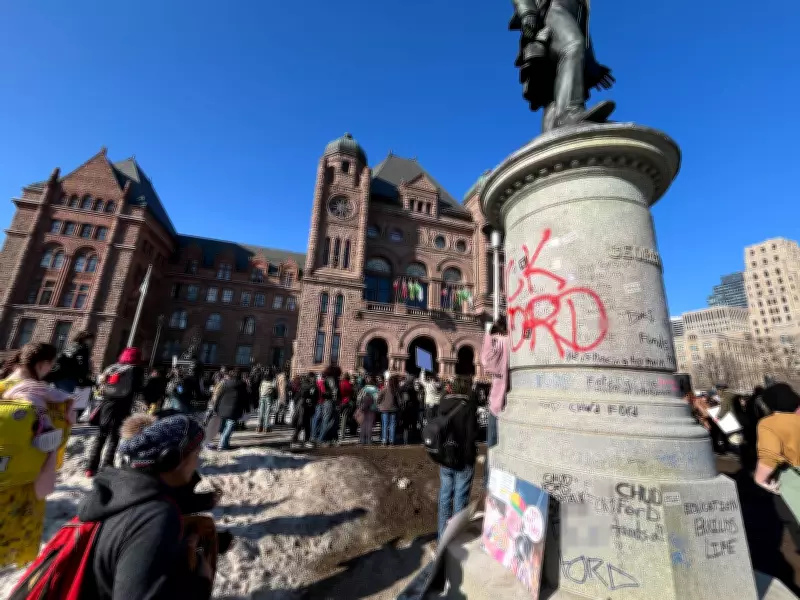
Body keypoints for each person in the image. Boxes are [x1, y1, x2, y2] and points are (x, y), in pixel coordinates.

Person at [77, 414, 214, 599]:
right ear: (171, 460)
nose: (197, 462)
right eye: (196, 454)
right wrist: (201, 583)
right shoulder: (156, 517)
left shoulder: (119, 490)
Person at [0, 343, 74, 568]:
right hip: (23, 485)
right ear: (42, 364)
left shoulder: (2, 385)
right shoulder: (48, 398)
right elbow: (56, 441)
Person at [754, 383, 800, 552]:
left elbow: (770, 455)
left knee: (794, 523)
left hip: (791, 481)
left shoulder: (769, 424)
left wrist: (760, 479)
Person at [87, 347, 145, 477]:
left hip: (106, 405)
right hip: (123, 406)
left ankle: (90, 467)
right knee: (114, 437)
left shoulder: (112, 368)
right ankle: (106, 466)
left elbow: (100, 385)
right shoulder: (136, 371)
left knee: (100, 436)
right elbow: (139, 389)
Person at [437, 378, 478, 540]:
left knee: (445, 497)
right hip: (463, 459)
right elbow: (472, 434)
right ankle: (454, 540)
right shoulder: (468, 406)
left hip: (445, 457)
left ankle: (442, 538)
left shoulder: (443, 404)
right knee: (460, 501)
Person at [480, 316, 509, 488]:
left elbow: (486, 362)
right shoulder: (510, 343)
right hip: (509, 403)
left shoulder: (496, 343)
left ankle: (488, 485)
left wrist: (488, 335)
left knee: (492, 447)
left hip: (495, 404)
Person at [44, 330, 95, 394]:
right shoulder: (83, 349)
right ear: (86, 339)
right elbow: (83, 366)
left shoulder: (69, 346)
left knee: (54, 398)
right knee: (65, 400)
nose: (92, 342)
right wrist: (85, 380)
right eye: (91, 340)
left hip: (57, 377)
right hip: (69, 379)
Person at [213, 369, 250, 451]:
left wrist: (215, 407)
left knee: (223, 427)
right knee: (229, 426)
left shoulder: (225, 383)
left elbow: (219, 396)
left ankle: (224, 443)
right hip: (234, 409)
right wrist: (247, 409)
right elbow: (245, 398)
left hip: (222, 409)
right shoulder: (242, 384)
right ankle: (222, 444)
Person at [291, 373, 317, 448]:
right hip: (304, 408)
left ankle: (299, 440)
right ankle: (298, 440)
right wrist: (309, 402)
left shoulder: (302, 386)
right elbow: (313, 398)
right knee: (303, 424)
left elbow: (296, 398)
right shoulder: (310, 387)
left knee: (304, 424)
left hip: (302, 407)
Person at [377, 374, 400, 446]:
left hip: (384, 409)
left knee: (385, 425)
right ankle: (391, 441)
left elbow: (378, 398)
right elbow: (399, 400)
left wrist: (379, 405)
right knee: (392, 425)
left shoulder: (384, 389)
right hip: (393, 409)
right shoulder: (395, 390)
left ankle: (384, 440)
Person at [356, 375, 379, 445]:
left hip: (364, 408)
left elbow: (358, 399)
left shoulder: (363, 389)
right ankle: (369, 440)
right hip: (373, 408)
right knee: (370, 424)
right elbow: (378, 399)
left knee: (363, 424)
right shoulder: (376, 389)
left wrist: (359, 407)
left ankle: (362, 440)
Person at [399, 374, 420, 445]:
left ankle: (406, 441)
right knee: (413, 425)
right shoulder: (413, 389)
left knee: (406, 427)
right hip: (412, 409)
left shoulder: (402, 388)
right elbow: (416, 401)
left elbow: (398, 395)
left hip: (405, 409)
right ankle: (414, 440)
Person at [258, 368, 277, 433]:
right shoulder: (272, 380)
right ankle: (266, 428)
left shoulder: (263, 380)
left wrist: (260, 395)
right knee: (267, 412)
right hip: (268, 397)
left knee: (261, 412)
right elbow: (275, 387)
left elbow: (259, 388)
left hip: (262, 396)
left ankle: (259, 427)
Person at [338, 373, 355, 443]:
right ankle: (342, 434)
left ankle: (339, 434)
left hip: (341, 402)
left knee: (340, 418)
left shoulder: (340, 384)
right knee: (344, 419)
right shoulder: (350, 384)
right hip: (348, 402)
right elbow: (352, 393)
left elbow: (340, 393)